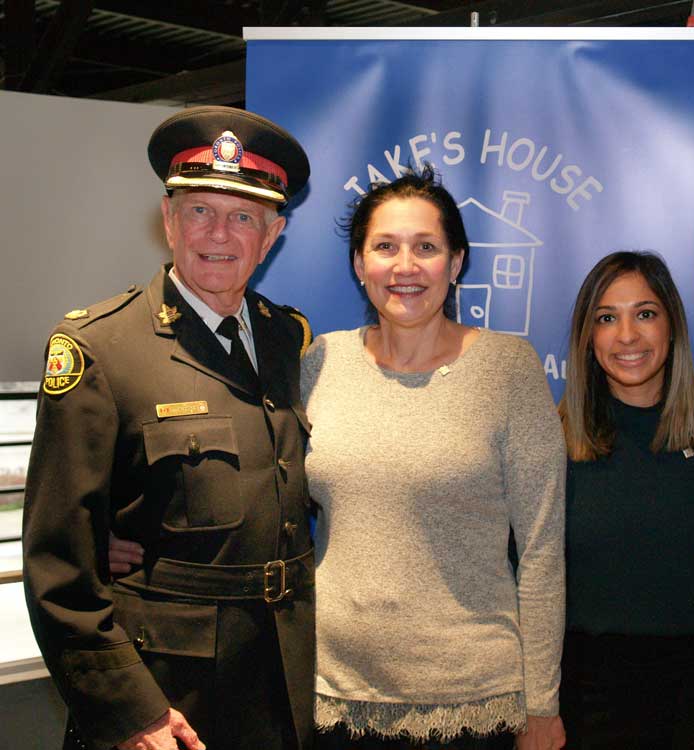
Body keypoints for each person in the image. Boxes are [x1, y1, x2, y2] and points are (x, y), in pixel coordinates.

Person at [22, 106, 316, 750]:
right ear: (168, 221)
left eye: (243, 217)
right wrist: (127, 709)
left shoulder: (288, 340)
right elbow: (58, 565)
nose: (220, 233)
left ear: (272, 236)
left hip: (284, 679)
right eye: (199, 210)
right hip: (166, 692)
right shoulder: (101, 347)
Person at [300, 168, 567, 750]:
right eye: (385, 247)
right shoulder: (320, 361)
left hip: (474, 710)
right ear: (357, 263)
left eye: (426, 247)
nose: (405, 267)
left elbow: (543, 549)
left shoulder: (508, 368)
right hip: (332, 699)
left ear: (457, 261)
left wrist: (543, 704)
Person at [558, 251, 694, 749]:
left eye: (646, 314)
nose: (628, 336)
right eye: (607, 319)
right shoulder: (551, 445)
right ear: (588, 341)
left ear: (673, 327)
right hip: (583, 701)